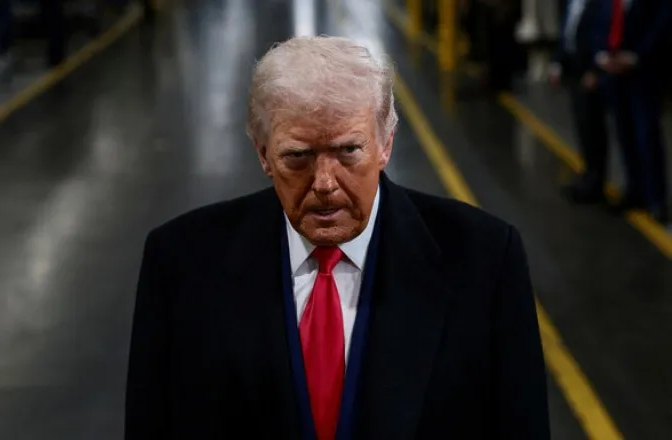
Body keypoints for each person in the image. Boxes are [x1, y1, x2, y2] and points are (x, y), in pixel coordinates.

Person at [125, 36, 550, 439]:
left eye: (348, 151)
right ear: (263, 154)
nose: (325, 183)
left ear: (386, 143)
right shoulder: (180, 264)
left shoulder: (485, 260)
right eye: (298, 157)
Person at [591, 0, 671, 223]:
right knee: (624, 132)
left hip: (644, 72)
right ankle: (634, 189)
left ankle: (656, 198)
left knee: (647, 135)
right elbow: (599, 23)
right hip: (614, 73)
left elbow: (662, 25)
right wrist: (601, 55)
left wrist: (636, 57)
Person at [549, 0, 609, 203]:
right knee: (582, 127)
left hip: (588, 72)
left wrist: (595, 70)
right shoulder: (570, 3)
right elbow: (566, 34)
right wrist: (557, 63)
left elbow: (601, 36)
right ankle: (587, 176)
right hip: (574, 71)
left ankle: (595, 182)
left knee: (594, 130)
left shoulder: (599, 4)